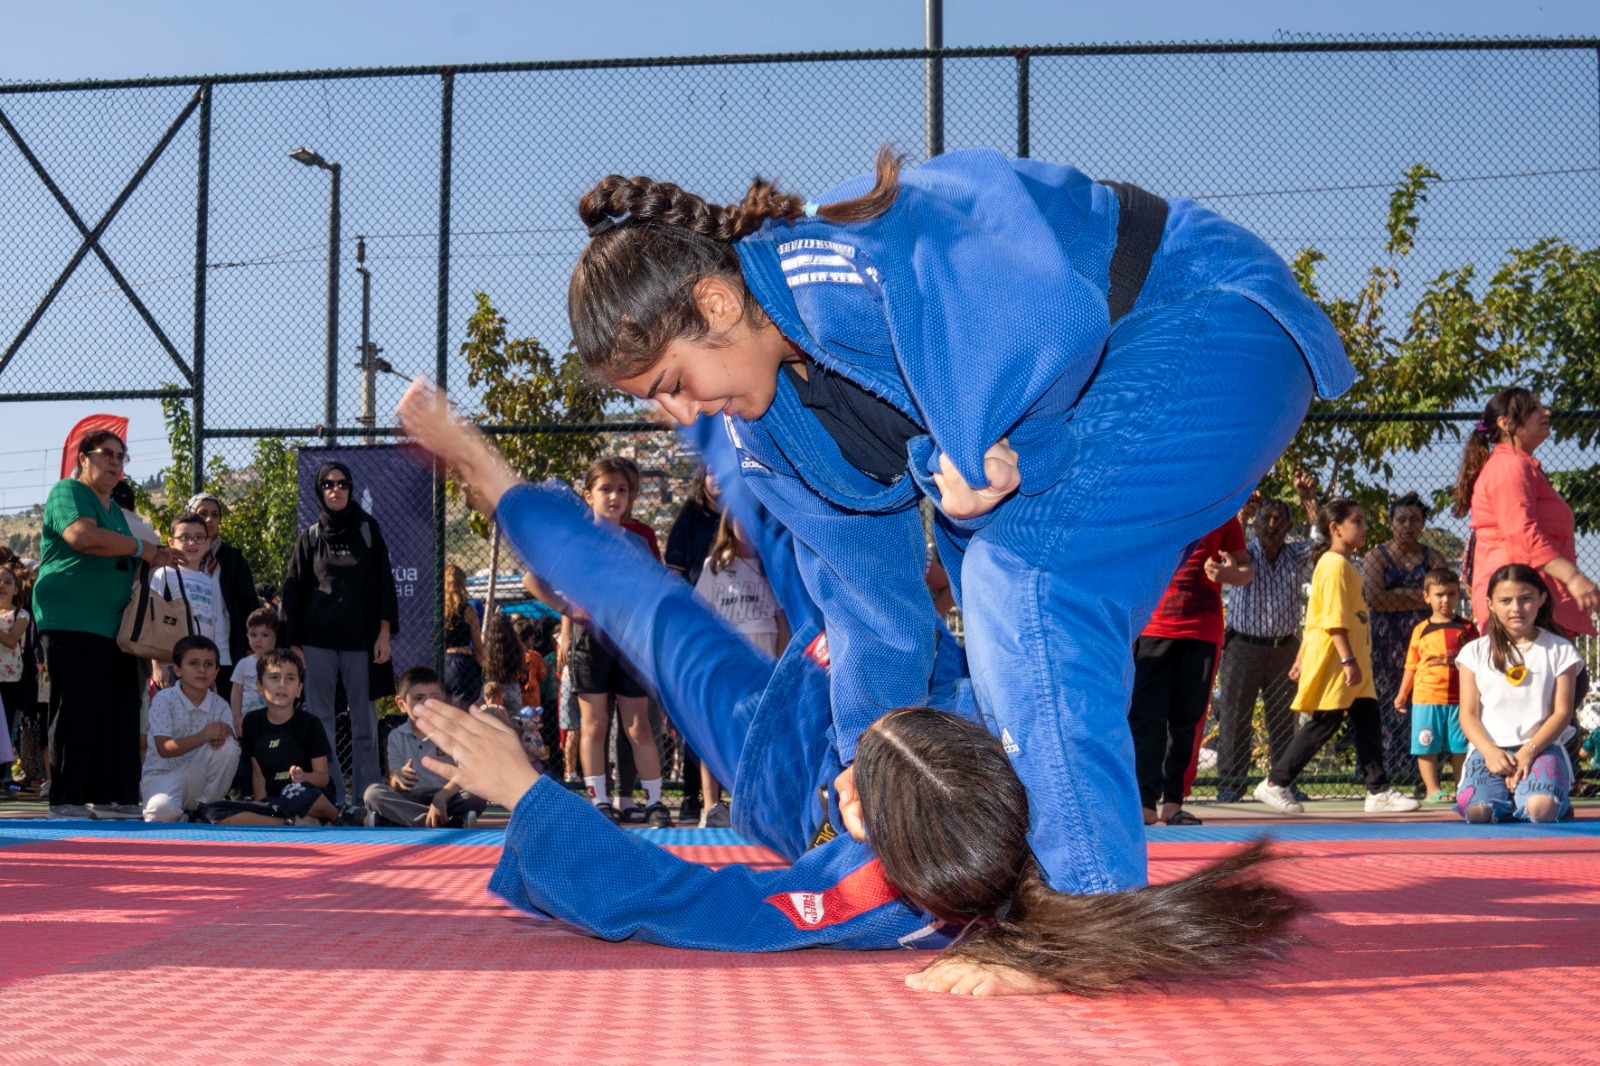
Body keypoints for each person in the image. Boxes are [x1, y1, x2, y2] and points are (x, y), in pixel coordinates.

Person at [566, 146, 1351, 893]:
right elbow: (874, 620)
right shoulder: (768, 442)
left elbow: (1046, 311)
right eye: (654, 401)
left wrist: (996, 446)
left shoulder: (838, 255)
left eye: (673, 380)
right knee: (983, 648)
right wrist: (873, 767)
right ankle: (1007, 877)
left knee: (1026, 579)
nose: (679, 414)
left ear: (716, 300)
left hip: (1203, 313)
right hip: (1103, 403)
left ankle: (1087, 907)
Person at [395, 385, 1307, 995]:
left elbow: (671, 898)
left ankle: (493, 473)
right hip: (881, 651)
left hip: (770, 753)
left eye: (858, 798)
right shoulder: (1018, 740)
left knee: (649, 610)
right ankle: (721, 397)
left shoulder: (865, 893)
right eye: (868, 761)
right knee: (791, 506)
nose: (852, 784)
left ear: (871, 841)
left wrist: (527, 792)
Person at [36, 429, 175, 819]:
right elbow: (82, 537)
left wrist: (157, 557)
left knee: (118, 711)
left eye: (121, 457)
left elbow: (125, 564)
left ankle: (117, 798)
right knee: (77, 708)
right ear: (83, 458)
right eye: (107, 454)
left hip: (114, 629)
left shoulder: (114, 510)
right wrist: (140, 548)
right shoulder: (68, 491)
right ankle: (67, 799)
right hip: (70, 619)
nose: (115, 462)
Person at [1253, 500, 1421, 815]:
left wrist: (1304, 656)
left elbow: (1315, 615)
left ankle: (1378, 790)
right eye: (1357, 520)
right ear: (1335, 528)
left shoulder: (1343, 565)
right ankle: (1275, 783)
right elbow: (1331, 619)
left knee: (1367, 720)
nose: (1365, 527)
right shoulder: (1333, 564)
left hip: (1353, 660)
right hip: (1340, 660)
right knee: (1324, 722)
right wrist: (1347, 661)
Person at [557, 457, 670, 828]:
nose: (614, 497)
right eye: (606, 489)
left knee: (639, 726)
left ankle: (654, 803)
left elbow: (653, 592)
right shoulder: (574, 539)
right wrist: (569, 613)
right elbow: (535, 579)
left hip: (630, 645)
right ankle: (600, 801)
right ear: (588, 495)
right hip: (590, 644)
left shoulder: (638, 542)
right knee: (595, 724)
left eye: (622, 490)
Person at [280, 460, 400, 808]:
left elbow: (384, 587)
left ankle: (366, 799)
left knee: (365, 721)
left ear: (351, 488)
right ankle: (331, 795)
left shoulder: (368, 531)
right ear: (320, 491)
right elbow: (294, 594)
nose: (336, 490)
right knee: (320, 721)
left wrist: (383, 636)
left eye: (343, 483)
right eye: (329, 484)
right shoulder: (310, 537)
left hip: (361, 643)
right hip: (317, 643)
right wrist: (295, 644)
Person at [1127, 518, 1251, 827]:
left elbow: (1245, 570)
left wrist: (1227, 573)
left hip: (1202, 632)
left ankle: (1173, 802)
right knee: (1145, 716)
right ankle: (1143, 802)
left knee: (1188, 720)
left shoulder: (1224, 511)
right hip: (1154, 628)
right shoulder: (1160, 503)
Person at [1453, 387, 1598, 640]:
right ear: (1506, 423)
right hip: (1521, 612)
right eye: (1534, 409)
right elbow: (1523, 535)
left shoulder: (1521, 465)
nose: (1546, 412)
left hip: (1535, 608)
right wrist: (1574, 578)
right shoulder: (1509, 467)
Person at [1213, 475, 1320, 802]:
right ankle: (1231, 784)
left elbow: (1320, 539)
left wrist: (1309, 501)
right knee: (1234, 716)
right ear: (1256, 523)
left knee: (1283, 719)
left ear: (1288, 526)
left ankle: (1282, 783)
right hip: (1243, 645)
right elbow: (1227, 538)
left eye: (1279, 519)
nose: (1272, 524)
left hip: (1283, 648)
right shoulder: (1244, 551)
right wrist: (1244, 506)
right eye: (1266, 519)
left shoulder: (1294, 554)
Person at [1454, 565, 1583, 824]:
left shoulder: (1561, 650)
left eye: (1526, 599)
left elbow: (1562, 713)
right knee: (1478, 813)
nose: (1516, 608)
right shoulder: (1474, 652)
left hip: (1541, 748)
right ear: (1490, 603)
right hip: (1489, 750)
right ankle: (1510, 797)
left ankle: (1545, 797)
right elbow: (1467, 715)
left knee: (1541, 810)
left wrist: (1528, 751)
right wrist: (1490, 752)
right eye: (1505, 600)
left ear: (1542, 599)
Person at [693, 509, 790, 827]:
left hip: (763, 660)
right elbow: (700, 616)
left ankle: (754, 805)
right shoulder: (716, 566)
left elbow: (781, 620)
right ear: (728, 523)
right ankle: (711, 806)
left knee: (757, 735)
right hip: (727, 662)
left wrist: (780, 664)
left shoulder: (771, 567)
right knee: (716, 730)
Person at [204, 648, 342, 827]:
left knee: (293, 793)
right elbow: (258, 773)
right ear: (260, 687)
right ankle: (289, 823)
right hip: (275, 803)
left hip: (306, 794)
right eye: (274, 677)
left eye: (290, 678)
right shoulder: (252, 722)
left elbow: (323, 778)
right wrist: (259, 802)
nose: (282, 684)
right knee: (212, 811)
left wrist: (303, 777)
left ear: (299, 688)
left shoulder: (310, 723)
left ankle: (337, 816)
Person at [1363, 491, 1443, 782]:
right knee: (1387, 705)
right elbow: (1375, 599)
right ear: (1390, 523)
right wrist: (1420, 597)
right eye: (1401, 519)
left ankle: (1423, 774)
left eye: (1415, 519)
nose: (1408, 525)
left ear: (1422, 524)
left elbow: (1442, 598)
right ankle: (1389, 774)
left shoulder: (1432, 557)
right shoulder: (1376, 556)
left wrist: (1396, 595)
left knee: (1424, 704)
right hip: (1385, 647)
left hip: (1426, 646)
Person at [663, 465, 722, 823]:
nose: (717, 479)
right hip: (698, 628)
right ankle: (691, 795)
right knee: (696, 714)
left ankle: (733, 799)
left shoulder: (745, 515)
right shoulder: (689, 519)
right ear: (701, 479)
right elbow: (674, 576)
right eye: (710, 472)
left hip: (742, 622)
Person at [361, 665, 486, 830]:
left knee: (477, 795)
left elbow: (464, 774)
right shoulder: (396, 736)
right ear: (401, 704)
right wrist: (397, 777)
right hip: (410, 799)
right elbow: (394, 781)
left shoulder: (452, 732)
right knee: (372, 793)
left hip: (447, 797)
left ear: (443, 700)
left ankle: (402, 821)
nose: (426, 704)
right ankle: (445, 822)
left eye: (434, 697)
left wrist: (441, 797)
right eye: (418, 698)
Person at [1394, 567, 1477, 804]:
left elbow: (1478, 663)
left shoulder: (1468, 629)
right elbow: (1411, 665)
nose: (1445, 600)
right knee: (1426, 745)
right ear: (1426, 597)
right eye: (1439, 594)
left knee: (1460, 747)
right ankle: (1433, 790)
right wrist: (1402, 694)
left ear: (1458, 594)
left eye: (1451, 594)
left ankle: (1463, 788)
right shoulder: (1420, 630)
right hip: (1426, 698)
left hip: (1461, 700)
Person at [140, 635, 240, 822]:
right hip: (163, 774)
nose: (202, 669)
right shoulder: (164, 699)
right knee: (160, 814)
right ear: (177, 669)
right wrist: (204, 736)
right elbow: (164, 748)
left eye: (209, 664)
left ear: (217, 671)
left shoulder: (221, 705)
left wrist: (219, 736)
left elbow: (227, 744)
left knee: (229, 747)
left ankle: (208, 808)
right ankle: (184, 814)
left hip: (200, 776)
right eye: (193, 663)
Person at [184, 492, 259, 702]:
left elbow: (249, 605)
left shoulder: (232, 559)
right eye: (202, 513)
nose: (209, 519)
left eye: (215, 515)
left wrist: (248, 647)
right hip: (187, 654)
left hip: (225, 656)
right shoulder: (178, 558)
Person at [149, 511, 219, 687]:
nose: (191, 543)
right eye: (184, 537)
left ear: (208, 543)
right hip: (171, 663)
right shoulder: (165, 573)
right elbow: (152, 617)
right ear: (171, 542)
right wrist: (156, 664)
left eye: (198, 537)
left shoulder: (209, 581)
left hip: (202, 665)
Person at [229, 606, 282, 737]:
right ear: (247, 636)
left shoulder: (282, 664)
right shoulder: (243, 664)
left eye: (264, 635)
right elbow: (236, 691)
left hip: (274, 722)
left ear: (275, 637)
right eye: (253, 635)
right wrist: (236, 717)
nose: (258, 639)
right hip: (248, 721)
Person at [442, 563, 484, 707]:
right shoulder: (468, 610)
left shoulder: (437, 609)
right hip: (462, 663)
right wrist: (482, 666)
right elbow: (478, 646)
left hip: (441, 663)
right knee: (465, 712)